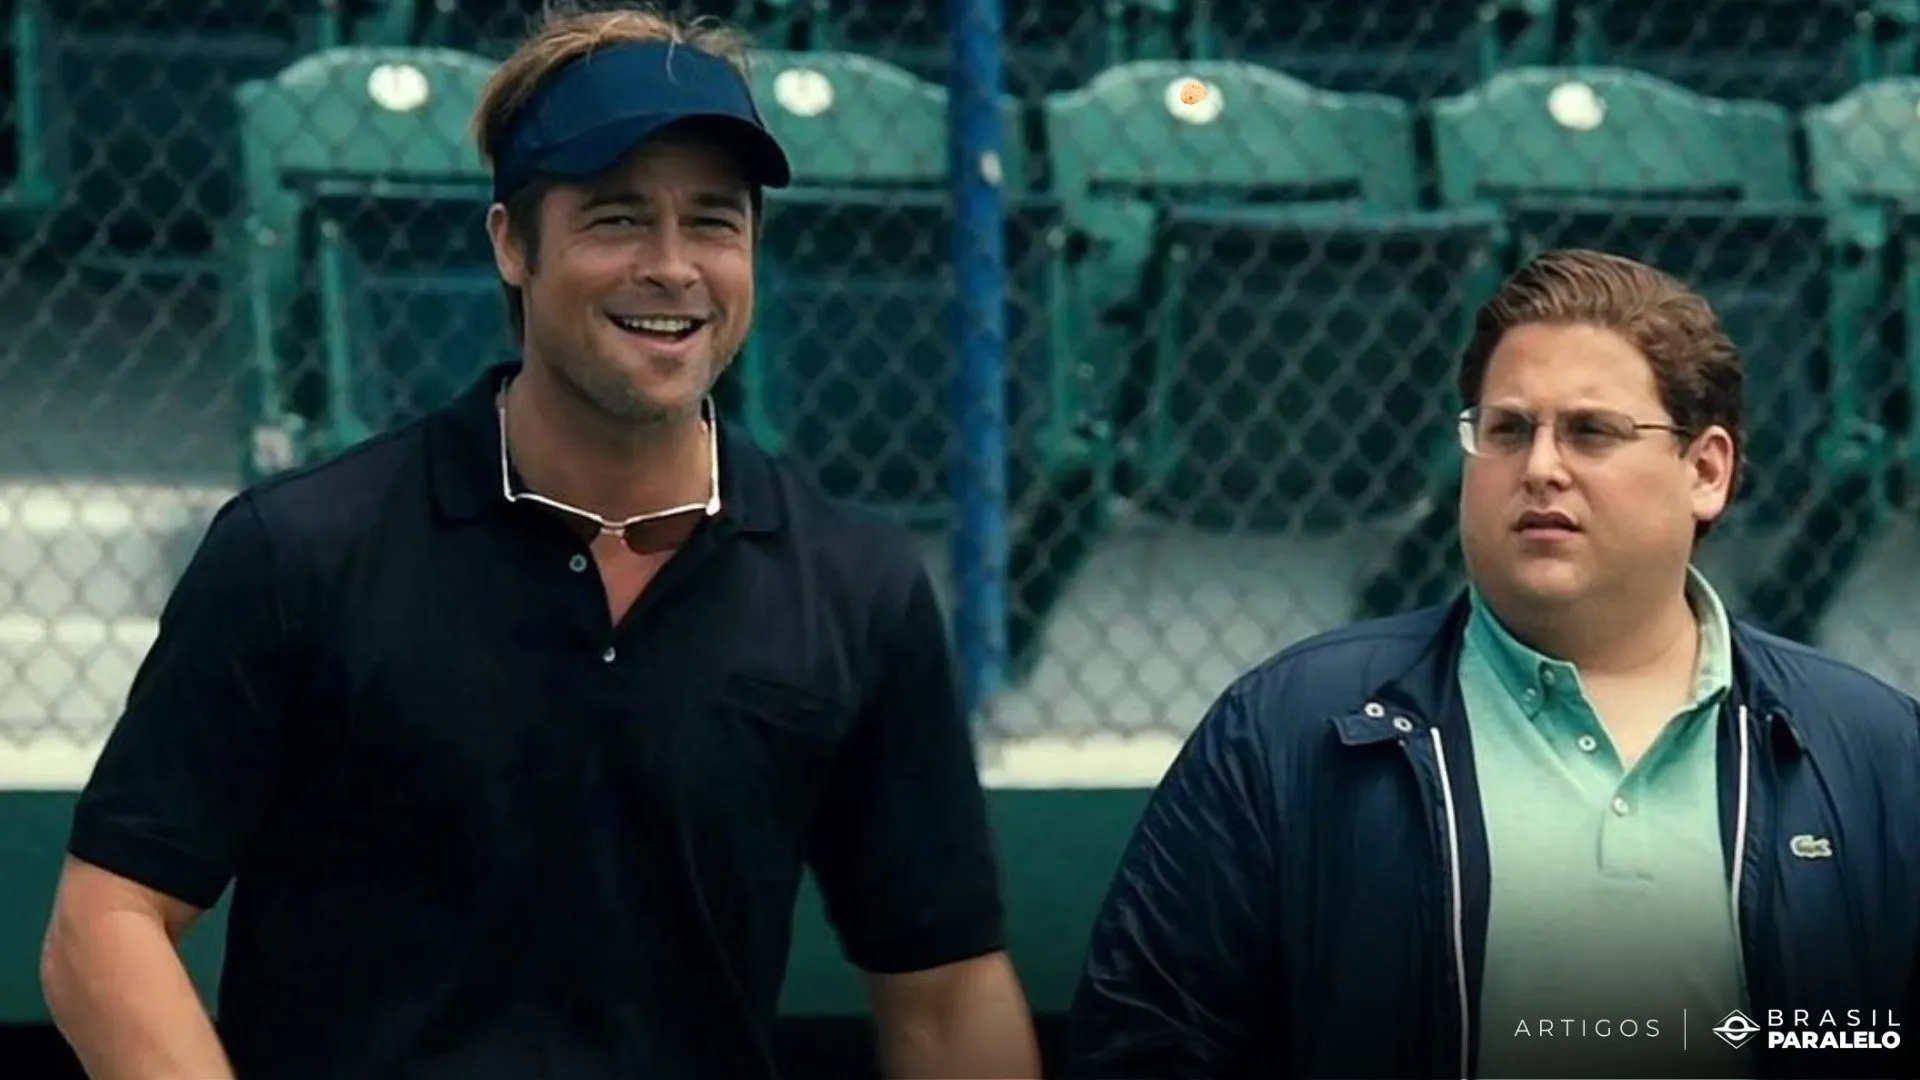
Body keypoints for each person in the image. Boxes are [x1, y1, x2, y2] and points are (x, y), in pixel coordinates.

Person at [38, 7, 1042, 1079]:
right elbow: (105, 924)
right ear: (511, 244)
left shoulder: (856, 588)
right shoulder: (298, 553)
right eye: (616, 219)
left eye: (713, 223)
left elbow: (947, 993)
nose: (673, 267)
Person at [1063, 249, 1920, 1080]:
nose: (1540, 468)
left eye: (1591, 432)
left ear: (1706, 471)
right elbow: (1144, 1045)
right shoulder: (1291, 729)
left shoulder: (1871, 749)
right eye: (1507, 430)